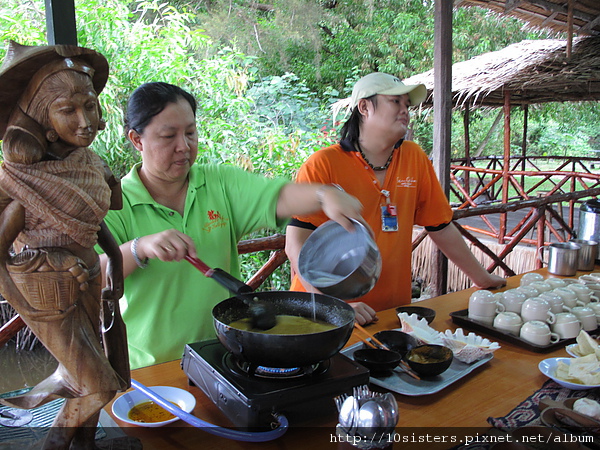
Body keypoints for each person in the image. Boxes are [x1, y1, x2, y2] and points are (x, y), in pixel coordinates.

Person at [98, 82, 363, 370]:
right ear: (137, 140)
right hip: (153, 369)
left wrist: (324, 196)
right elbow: (91, 276)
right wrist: (139, 248)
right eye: (168, 136)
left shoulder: (218, 183)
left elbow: (278, 196)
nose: (183, 147)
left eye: (190, 133)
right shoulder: (114, 202)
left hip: (224, 357)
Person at [285, 72, 506, 325]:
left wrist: (482, 278)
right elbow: (295, 245)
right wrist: (332, 305)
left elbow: (440, 227)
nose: (405, 111)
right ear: (364, 107)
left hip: (392, 313)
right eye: (395, 102)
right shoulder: (323, 164)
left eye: (407, 104)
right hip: (325, 317)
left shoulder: (414, 157)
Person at [0, 42, 128, 448]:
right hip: (47, 295)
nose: (85, 120)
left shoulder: (88, 166)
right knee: (100, 387)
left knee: (84, 378)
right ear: (46, 122)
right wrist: (26, 305)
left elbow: (92, 224)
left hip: (90, 279)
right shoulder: (23, 185)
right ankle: (54, 443)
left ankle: (85, 443)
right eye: (68, 110)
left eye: (90, 106)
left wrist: (116, 264)